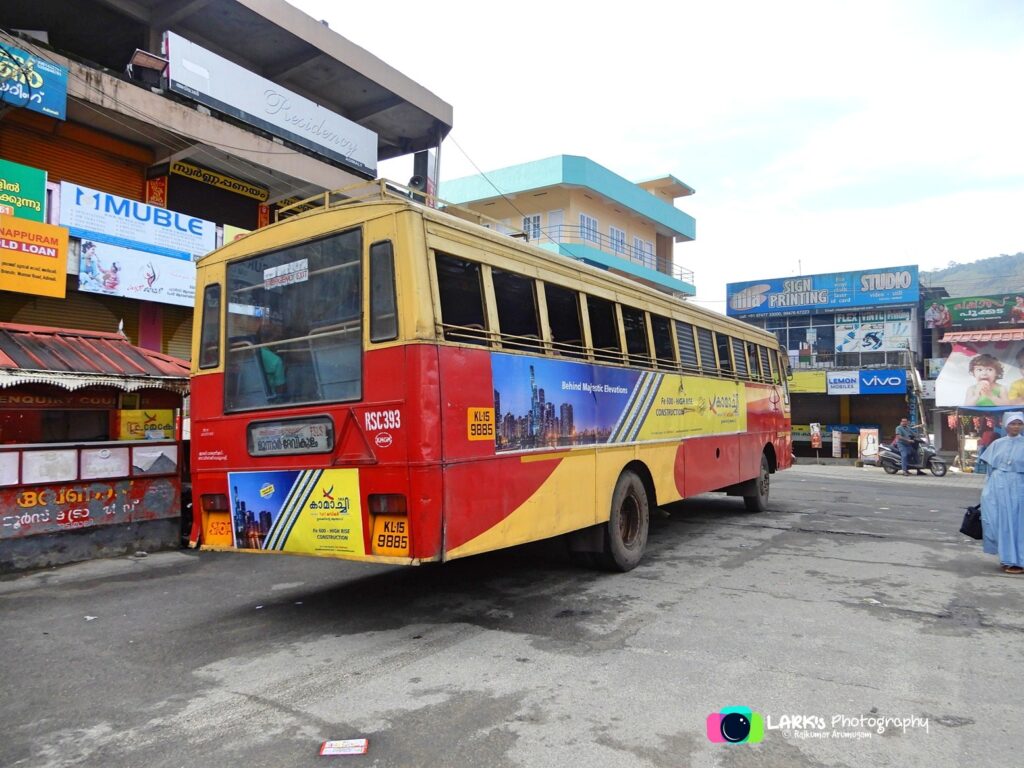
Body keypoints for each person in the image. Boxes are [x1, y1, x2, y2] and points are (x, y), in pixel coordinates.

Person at [977, 411, 1024, 574]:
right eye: (1012, 423)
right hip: (998, 485)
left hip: (1019, 486)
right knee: (1000, 521)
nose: (1016, 426)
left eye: (1019, 423)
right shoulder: (997, 444)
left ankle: (1020, 560)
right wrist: (988, 490)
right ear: (1005, 424)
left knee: (1019, 523)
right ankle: (1007, 559)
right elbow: (990, 470)